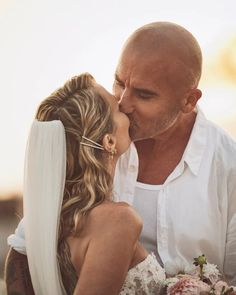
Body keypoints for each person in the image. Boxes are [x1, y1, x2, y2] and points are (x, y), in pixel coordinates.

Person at [5, 21, 236, 291]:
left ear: (188, 100)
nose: (124, 102)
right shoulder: (94, 147)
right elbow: (24, 249)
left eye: (144, 94)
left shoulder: (229, 166)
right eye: (119, 82)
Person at [5, 72, 165, 295]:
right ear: (109, 141)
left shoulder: (41, 228)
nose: (126, 107)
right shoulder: (119, 220)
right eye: (118, 109)